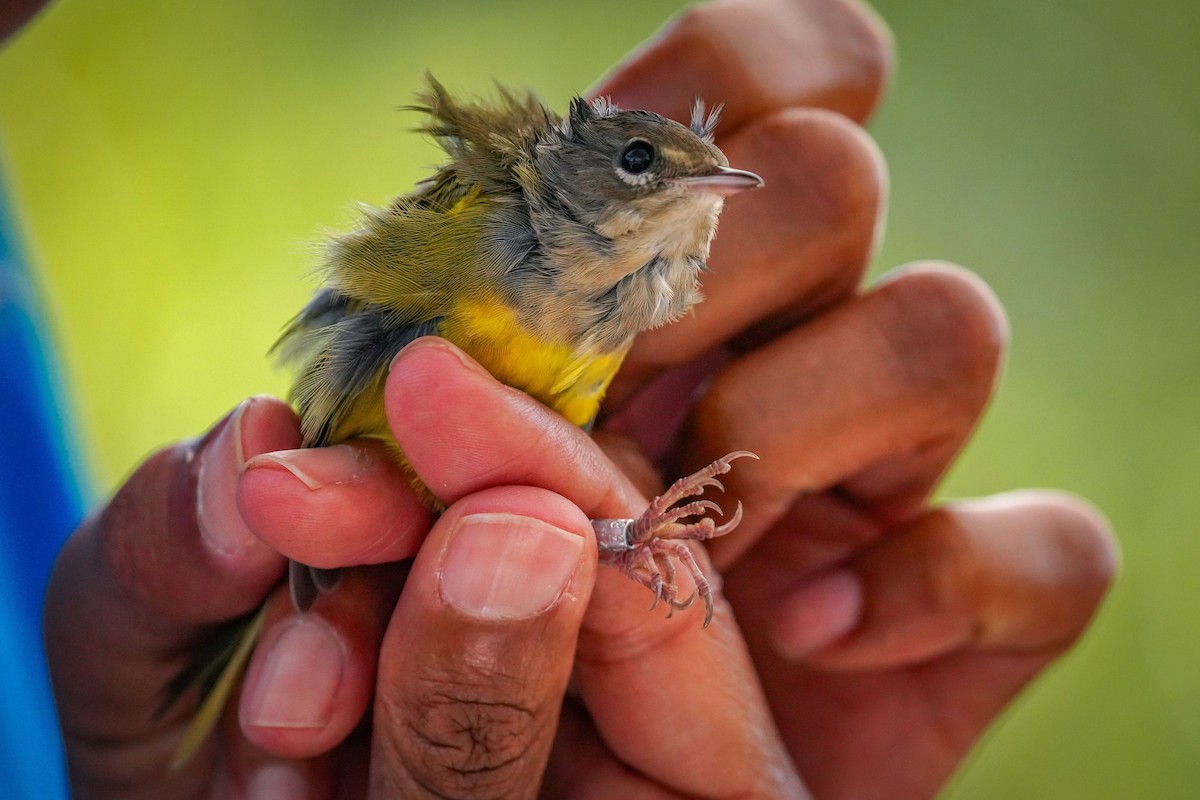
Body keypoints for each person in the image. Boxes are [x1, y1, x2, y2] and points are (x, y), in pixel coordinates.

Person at [34, 0, 1118, 797]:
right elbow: (359, 338)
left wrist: (623, 531)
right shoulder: (489, 215)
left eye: (707, 183)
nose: (694, 192)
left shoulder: (623, 323)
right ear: (578, 168)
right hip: (354, 495)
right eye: (646, 162)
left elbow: (513, 487)